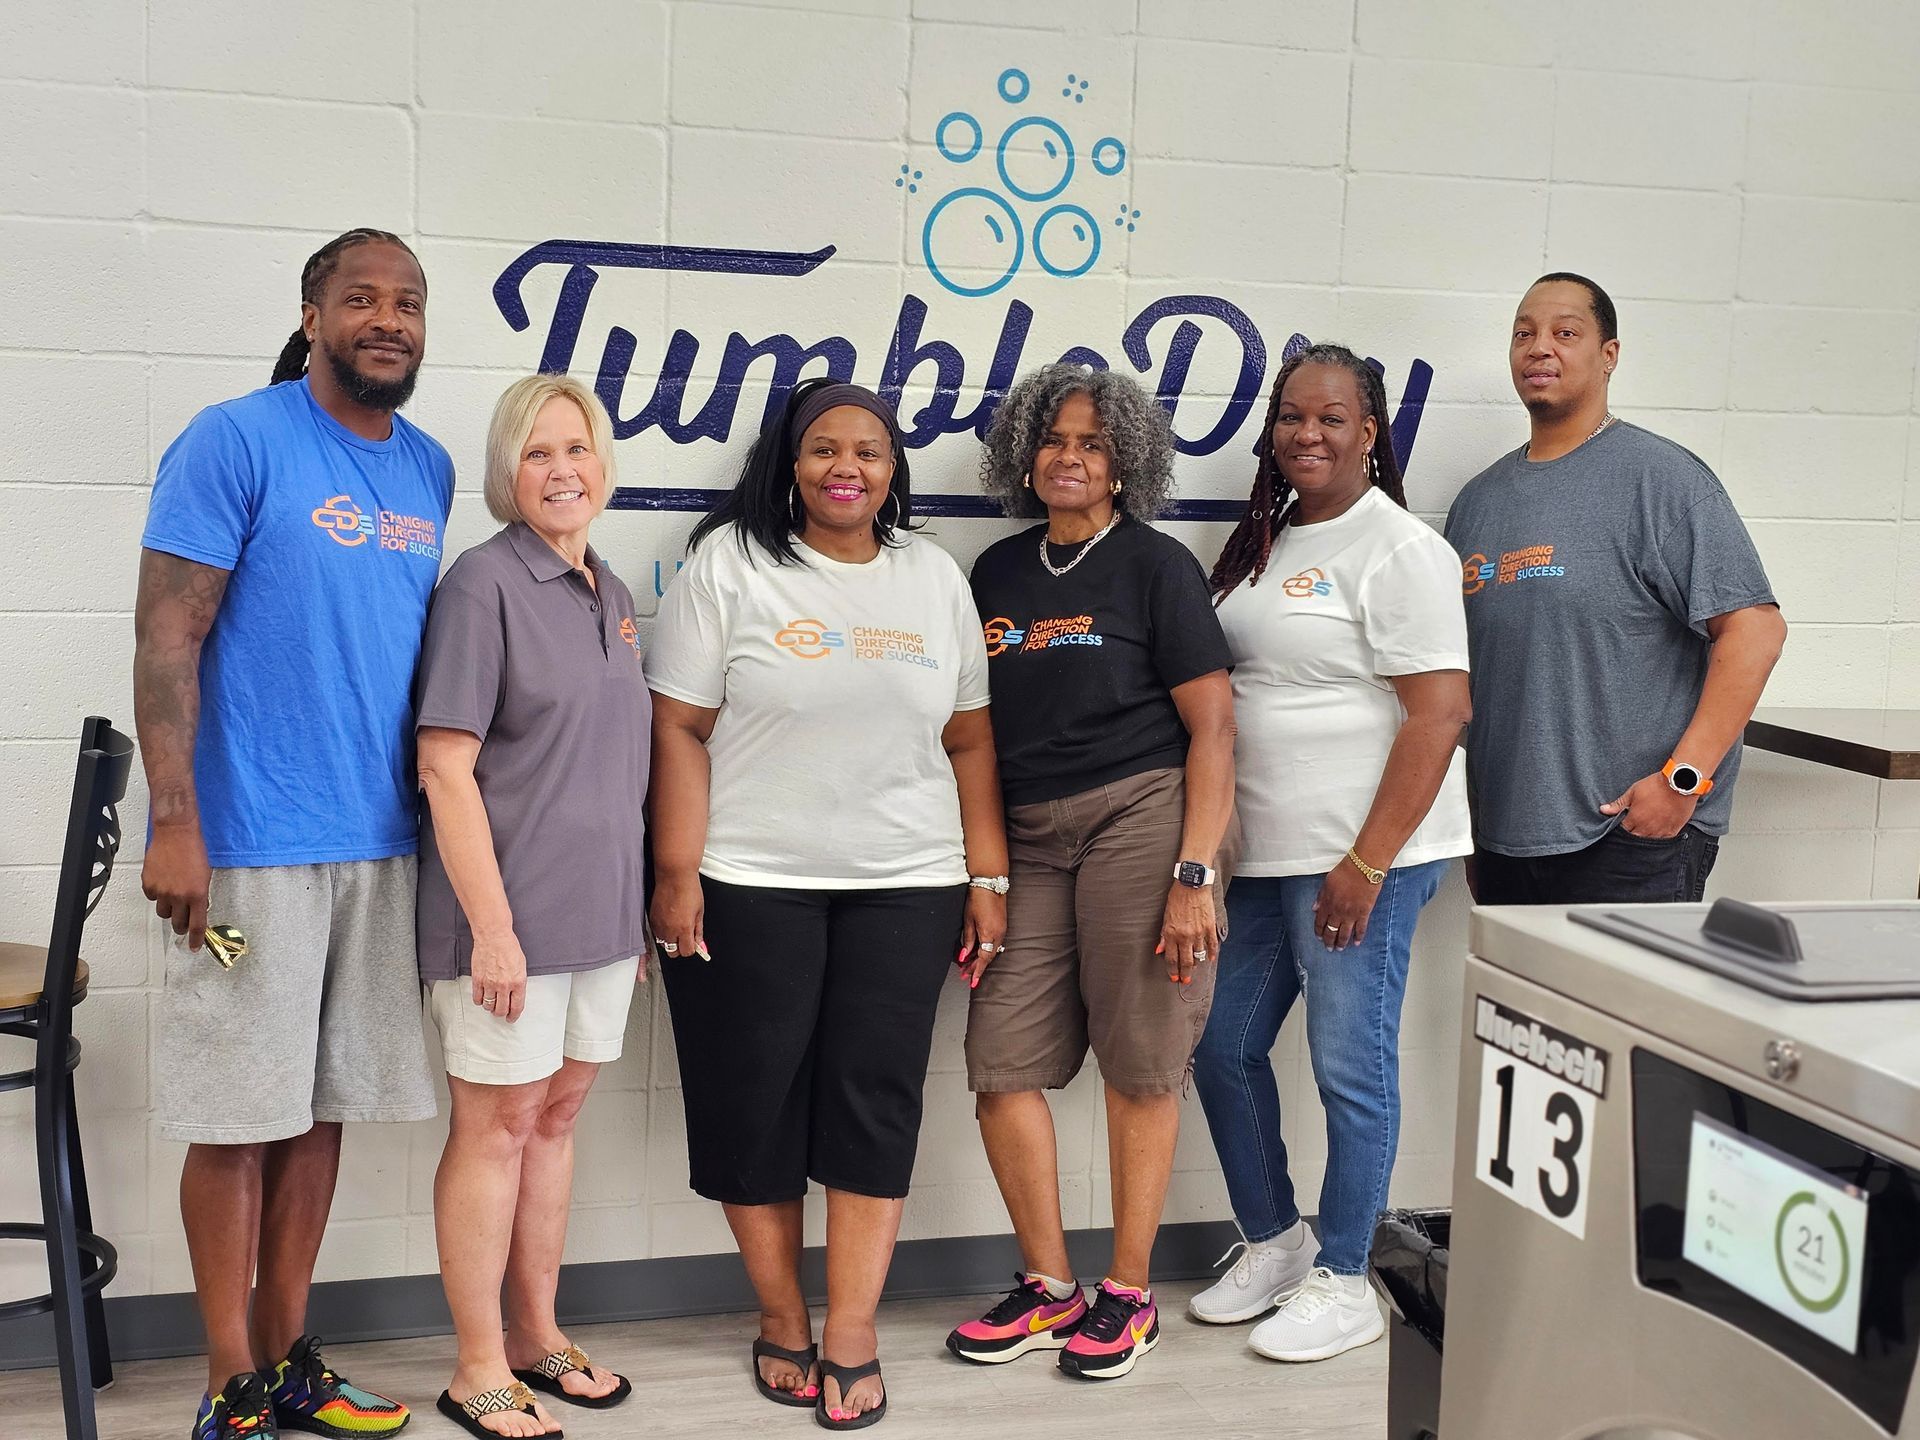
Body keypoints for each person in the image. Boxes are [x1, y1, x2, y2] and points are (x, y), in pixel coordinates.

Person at [135, 229, 451, 1440]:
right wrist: (177, 823)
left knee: (320, 1108)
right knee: (238, 1113)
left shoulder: (423, 470)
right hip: (245, 850)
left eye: (410, 303)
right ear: (313, 314)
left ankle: (288, 1356)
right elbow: (168, 638)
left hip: (377, 846)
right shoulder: (237, 439)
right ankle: (228, 1383)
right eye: (362, 298)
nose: (390, 319)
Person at [644, 378, 1006, 1429]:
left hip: (909, 880)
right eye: (823, 450)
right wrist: (675, 873)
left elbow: (970, 738)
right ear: (790, 465)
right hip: (748, 881)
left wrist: (987, 877)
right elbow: (678, 729)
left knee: (872, 1103)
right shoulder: (733, 564)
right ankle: (782, 1317)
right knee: (751, 1101)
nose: (847, 466)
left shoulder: (931, 577)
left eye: (870, 451)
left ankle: (851, 1329)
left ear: (894, 471)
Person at [946, 364, 1237, 1382]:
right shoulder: (994, 572)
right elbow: (969, 735)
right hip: (1025, 840)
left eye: (1094, 444)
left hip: (1140, 814)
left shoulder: (1157, 567)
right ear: (1025, 452)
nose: (1070, 459)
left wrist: (1195, 872)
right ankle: (1046, 1288)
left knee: (1141, 1057)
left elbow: (1213, 730)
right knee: (1001, 1061)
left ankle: (1125, 1293)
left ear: (1127, 463)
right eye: (1055, 440)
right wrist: (980, 871)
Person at [1188, 343, 1473, 1361]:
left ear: (1371, 432)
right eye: (1292, 417)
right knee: (1217, 1045)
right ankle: (1276, 1240)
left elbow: (1439, 718)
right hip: (1264, 854)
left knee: (1351, 1066)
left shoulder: (1400, 549)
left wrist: (1367, 862)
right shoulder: (1267, 539)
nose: (1309, 434)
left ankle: (1349, 1275)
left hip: (1361, 857)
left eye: (1334, 418)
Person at [415, 375, 644, 1438]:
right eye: (539, 452)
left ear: (603, 464)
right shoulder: (479, 587)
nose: (563, 470)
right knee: (496, 1128)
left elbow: (613, 771)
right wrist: (495, 931)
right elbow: (446, 770)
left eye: (579, 449)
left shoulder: (613, 593)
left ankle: (537, 1338)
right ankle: (474, 1366)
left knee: (554, 1120)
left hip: (600, 924)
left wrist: (630, 913)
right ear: (510, 472)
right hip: (499, 929)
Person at [1445, 273, 1786, 904]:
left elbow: (1755, 629)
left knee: (1619, 1009)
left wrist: (1683, 781)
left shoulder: (1661, 480)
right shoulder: (1477, 502)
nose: (1539, 347)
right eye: (1524, 333)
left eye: (1565, 333)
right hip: (1508, 841)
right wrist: (1478, 824)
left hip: (1627, 836)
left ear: (1609, 356)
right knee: (1517, 1008)